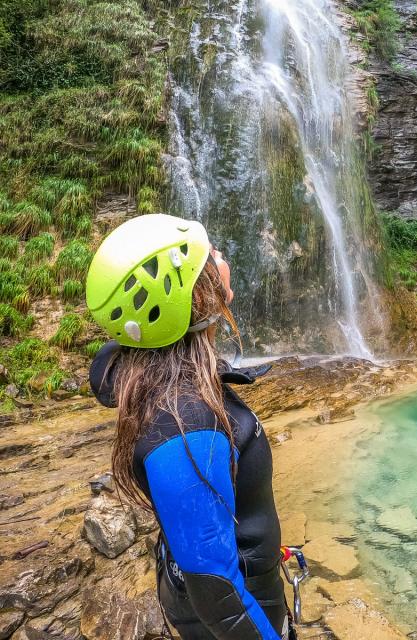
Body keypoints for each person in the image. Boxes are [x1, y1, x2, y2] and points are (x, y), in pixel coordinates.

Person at [86, 213, 292, 639]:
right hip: (233, 607)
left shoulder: (163, 377)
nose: (218, 254)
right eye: (209, 253)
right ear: (192, 295)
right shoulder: (186, 424)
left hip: (219, 586)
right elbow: (219, 597)